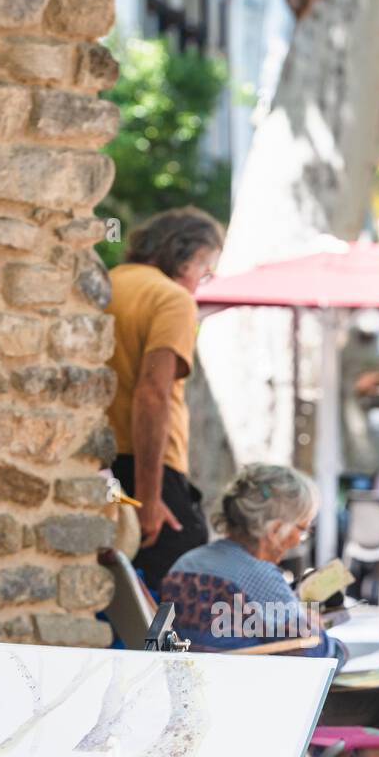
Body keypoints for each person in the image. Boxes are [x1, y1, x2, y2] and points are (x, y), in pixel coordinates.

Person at [106, 206, 224, 592]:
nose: (199, 284)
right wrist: (149, 498)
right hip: (147, 467)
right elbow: (153, 394)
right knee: (181, 589)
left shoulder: (104, 284)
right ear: (183, 254)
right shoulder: (172, 299)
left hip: (98, 464)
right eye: (203, 270)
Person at [162, 464, 346, 663]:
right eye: (301, 529)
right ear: (275, 530)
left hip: (189, 681)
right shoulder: (260, 576)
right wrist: (331, 642)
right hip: (241, 684)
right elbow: (314, 653)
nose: (298, 540)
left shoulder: (185, 563)